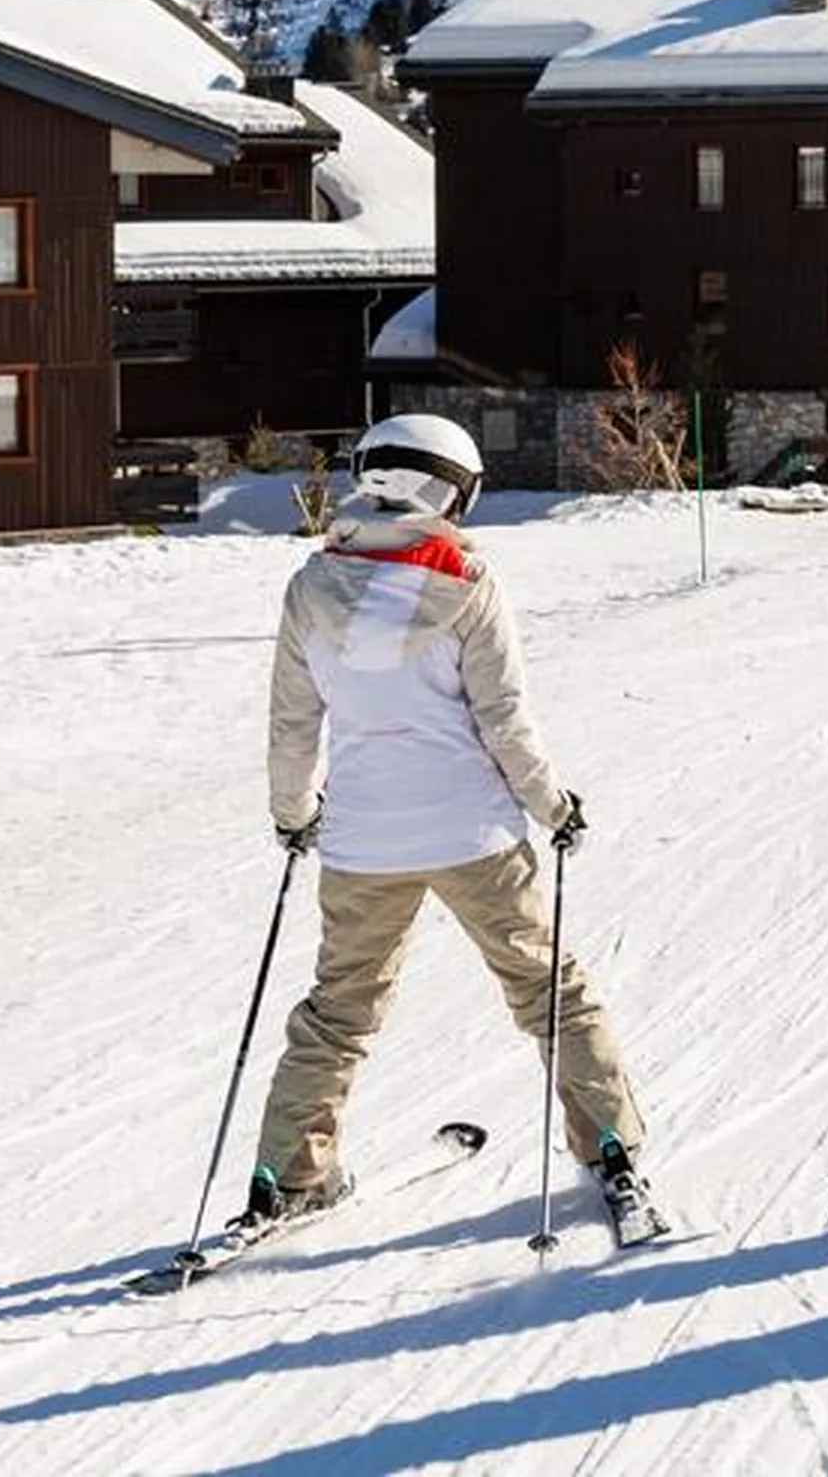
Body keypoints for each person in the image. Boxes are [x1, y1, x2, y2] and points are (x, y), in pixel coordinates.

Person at [248, 413, 657, 1232]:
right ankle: (612, 1147)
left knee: (338, 1011)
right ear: (447, 489)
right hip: (475, 835)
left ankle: (289, 1176)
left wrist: (294, 813)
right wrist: (553, 806)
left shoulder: (310, 584)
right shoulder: (467, 581)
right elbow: (505, 719)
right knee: (549, 989)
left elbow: (294, 722)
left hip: (364, 841)